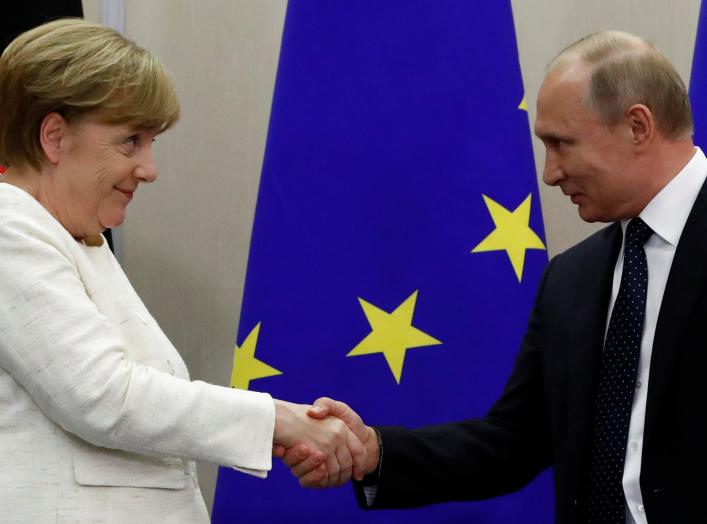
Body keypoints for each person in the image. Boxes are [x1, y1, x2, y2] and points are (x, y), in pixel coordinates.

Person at [279, 31, 706, 523]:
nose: (549, 173)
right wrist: (376, 451)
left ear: (637, 126)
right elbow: (513, 441)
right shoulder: (572, 278)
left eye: (562, 143)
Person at [0, 18, 367, 523]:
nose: (149, 168)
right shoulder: (9, 226)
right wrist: (279, 421)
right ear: (55, 136)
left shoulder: (75, 240)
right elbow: (105, 395)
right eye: (131, 141)